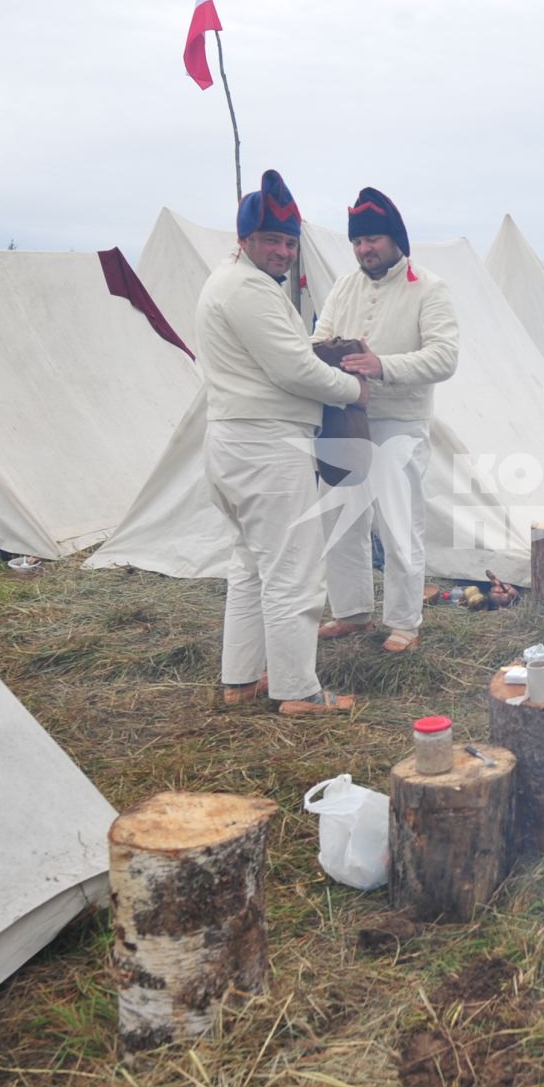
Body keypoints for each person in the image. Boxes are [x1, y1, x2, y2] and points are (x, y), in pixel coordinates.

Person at [195, 169, 361, 714]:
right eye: (271, 240)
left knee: (250, 567)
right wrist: (350, 386)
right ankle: (299, 692)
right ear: (244, 240)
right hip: (265, 445)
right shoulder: (248, 290)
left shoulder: (233, 283)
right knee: (294, 573)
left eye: (289, 242)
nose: (283, 251)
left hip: (238, 442)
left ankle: (241, 679)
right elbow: (295, 371)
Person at [314, 187, 459, 653]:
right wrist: (330, 353)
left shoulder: (429, 288)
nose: (364, 249)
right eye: (358, 241)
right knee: (340, 519)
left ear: (396, 239)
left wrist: (382, 366)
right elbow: (319, 337)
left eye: (373, 239)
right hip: (345, 420)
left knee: (399, 523)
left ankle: (403, 622)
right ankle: (352, 613)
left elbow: (445, 357)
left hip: (400, 421)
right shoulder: (344, 286)